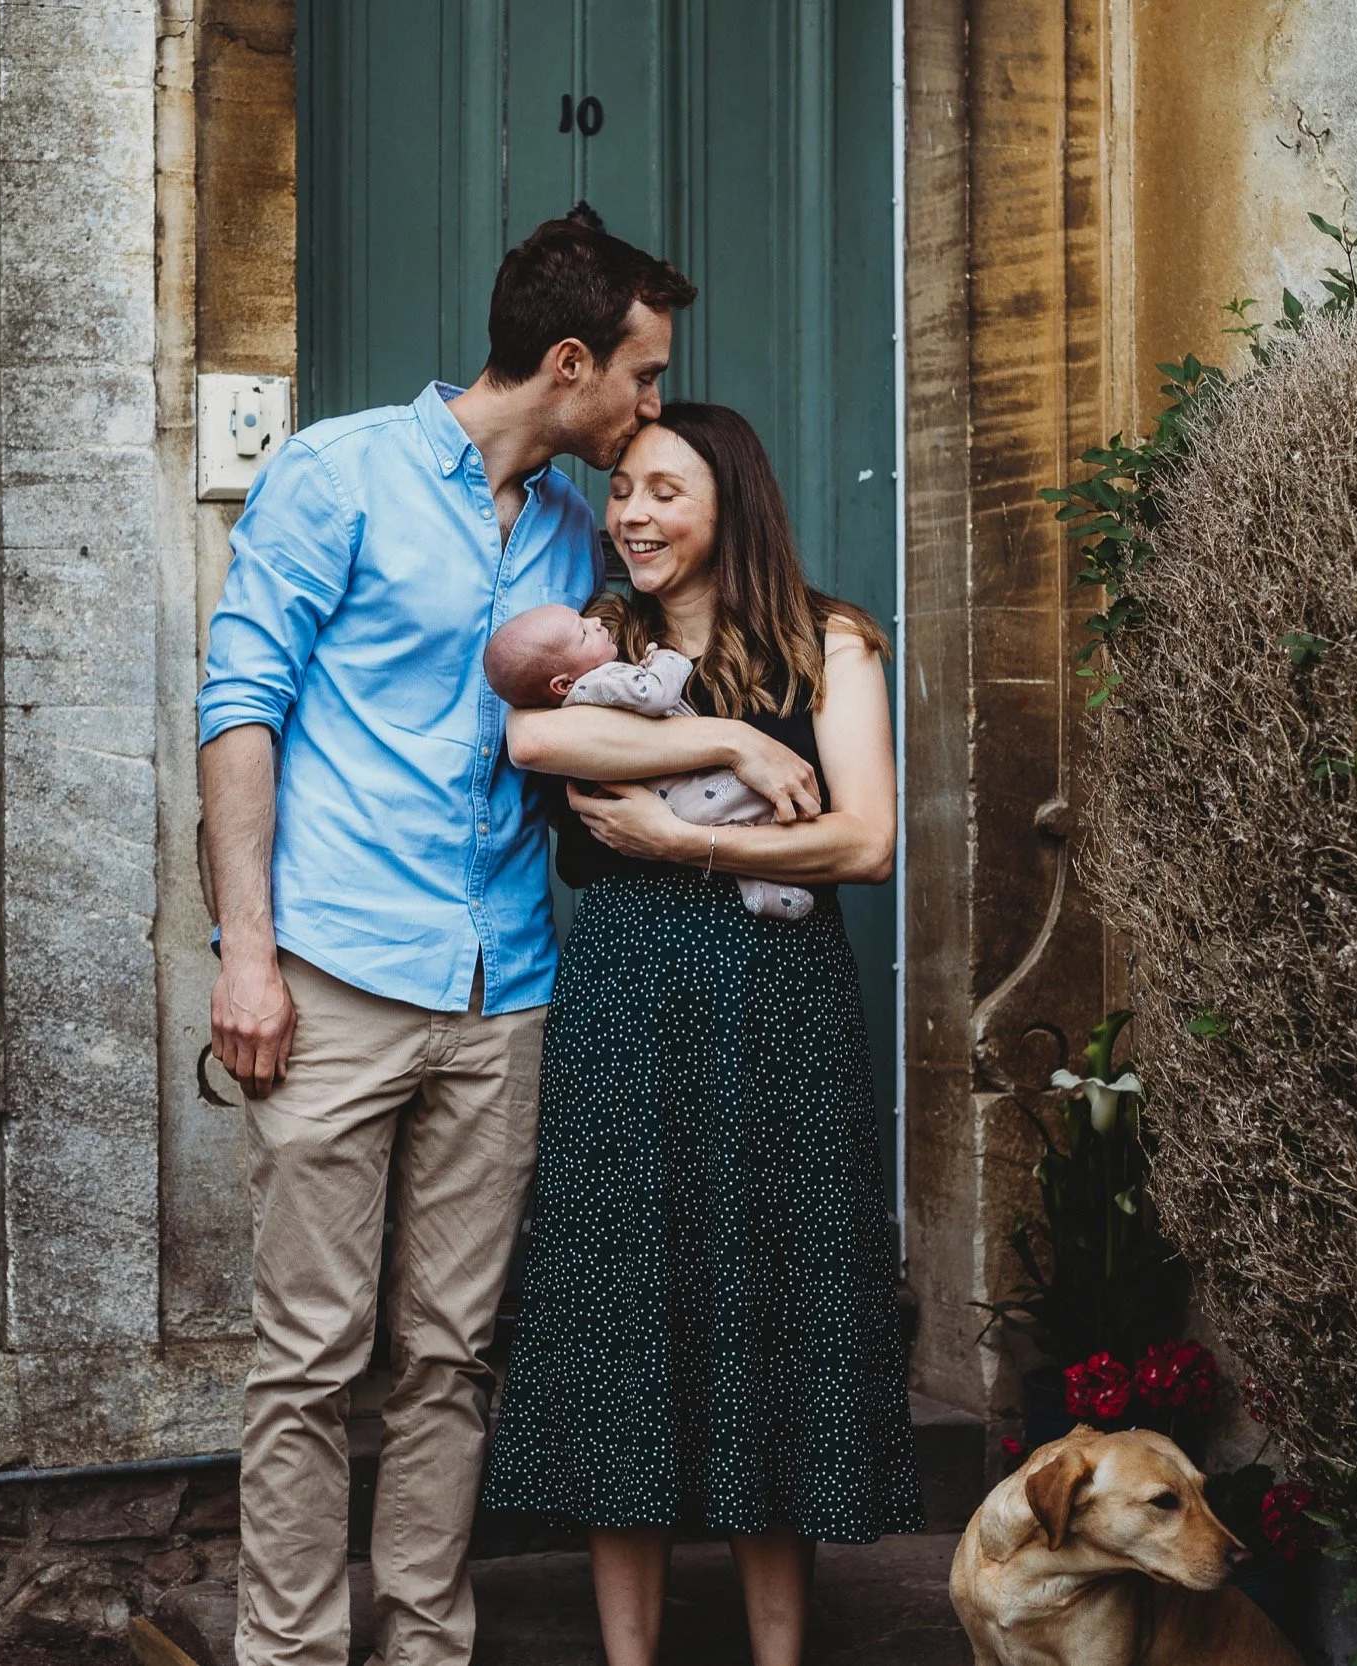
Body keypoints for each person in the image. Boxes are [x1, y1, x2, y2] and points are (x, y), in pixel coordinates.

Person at [198, 206, 789, 1666]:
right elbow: (240, 713)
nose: (654, 408)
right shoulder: (337, 474)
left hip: (507, 982)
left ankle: (423, 1645)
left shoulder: (591, 535)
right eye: (642, 379)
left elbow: (604, 723)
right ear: (571, 361)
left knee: (453, 1358)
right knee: (310, 1361)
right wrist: (247, 952)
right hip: (337, 971)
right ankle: (290, 1652)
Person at [483, 402, 925, 1666]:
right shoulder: (596, 642)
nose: (630, 513)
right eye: (620, 488)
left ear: (730, 499)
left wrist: (693, 841)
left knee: (769, 1321)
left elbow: (866, 839)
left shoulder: (830, 645)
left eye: (663, 489)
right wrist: (726, 737)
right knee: (628, 1317)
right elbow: (531, 732)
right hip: (623, 1002)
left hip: (779, 1010)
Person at [482, 602, 816, 919]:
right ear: (564, 683)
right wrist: (666, 660)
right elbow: (655, 695)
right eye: (584, 633)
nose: (595, 622)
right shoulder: (600, 681)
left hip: (670, 800)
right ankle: (769, 873)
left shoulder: (580, 699)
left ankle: (760, 887)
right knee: (740, 807)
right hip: (681, 792)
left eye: (583, 619)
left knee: (726, 821)